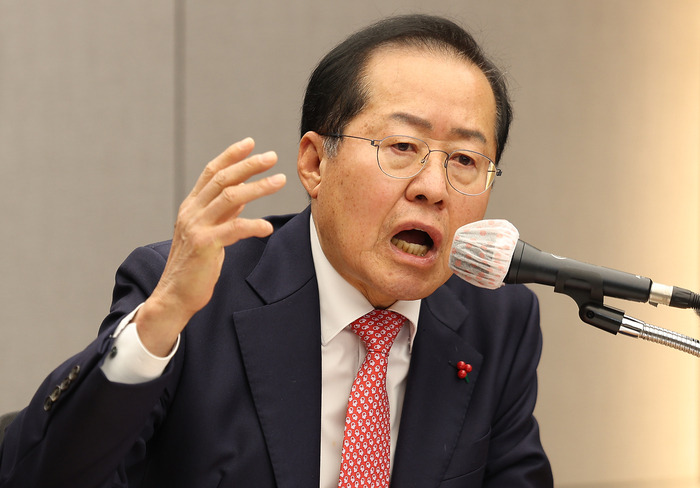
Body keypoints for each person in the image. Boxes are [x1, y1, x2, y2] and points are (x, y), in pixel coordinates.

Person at [0, 14, 553, 488]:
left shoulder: (498, 320)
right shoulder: (192, 299)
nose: (433, 187)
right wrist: (158, 323)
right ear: (315, 164)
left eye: (464, 160)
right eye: (402, 146)